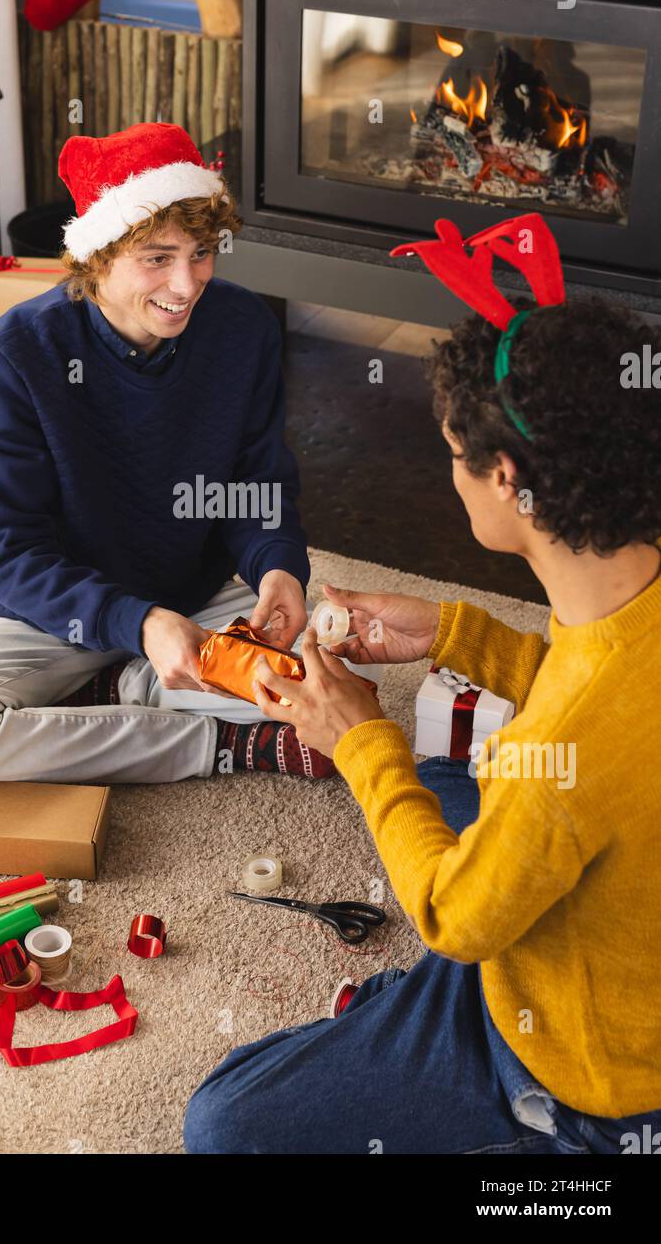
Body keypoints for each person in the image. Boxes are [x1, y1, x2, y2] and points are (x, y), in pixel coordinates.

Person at [183, 213, 661, 1154]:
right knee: (447, 788)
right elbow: (603, 698)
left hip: (587, 1081)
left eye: (452, 456)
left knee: (223, 1122)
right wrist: (451, 630)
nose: (450, 475)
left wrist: (358, 739)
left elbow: (451, 915)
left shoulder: (548, 764)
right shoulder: (626, 602)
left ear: (507, 477)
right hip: (607, 897)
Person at [0, 122, 378, 792]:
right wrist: (136, 622)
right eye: (156, 258)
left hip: (199, 603)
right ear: (96, 258)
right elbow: (10, 549)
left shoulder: (242, 329)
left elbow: (253, 482)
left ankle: (135, 680)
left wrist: (277, 569)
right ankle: (213, 742)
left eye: (201, 253)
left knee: (352, 686)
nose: (186, 285)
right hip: (64, 616)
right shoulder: (16, 357)